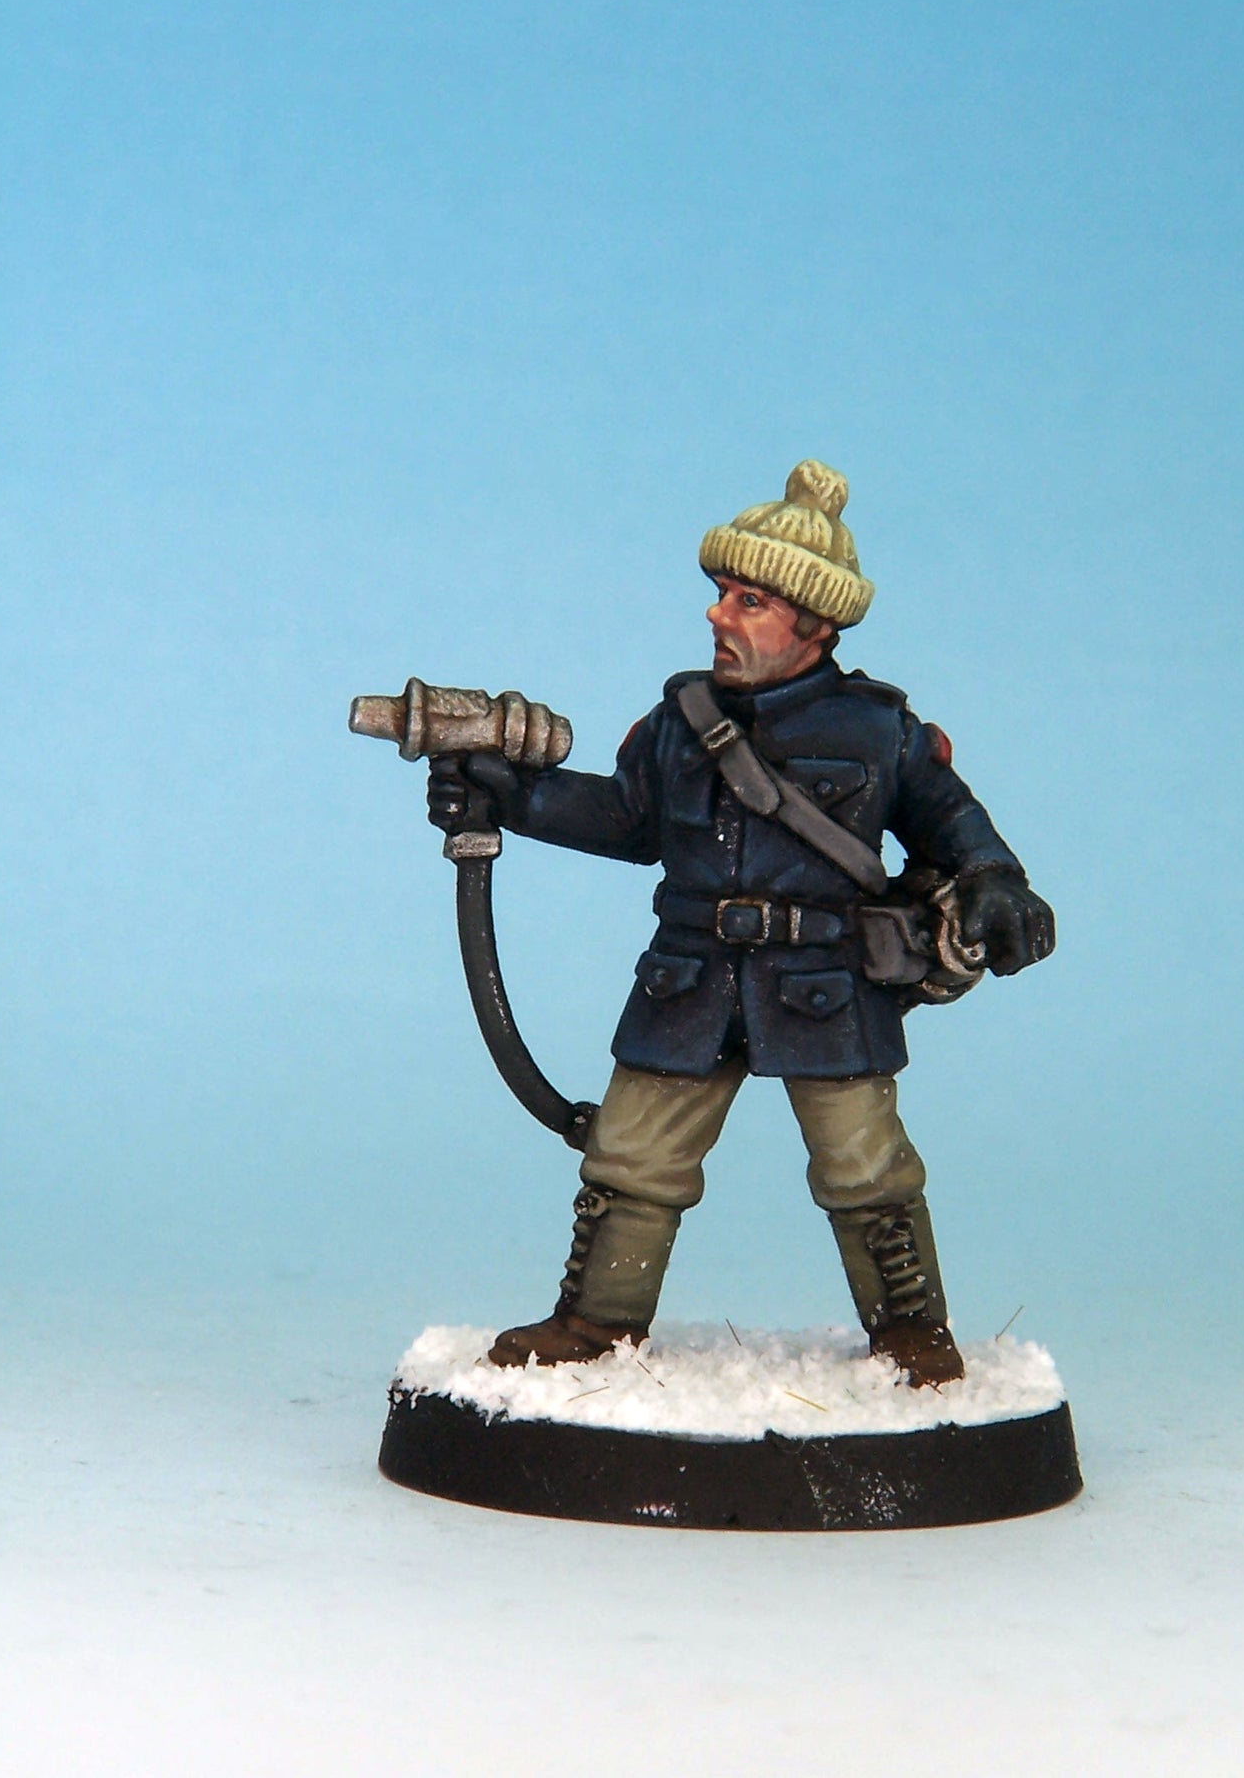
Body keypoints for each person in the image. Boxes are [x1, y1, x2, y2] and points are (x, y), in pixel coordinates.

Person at [428, 461, 1054, 1385]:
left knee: (866, 1167)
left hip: (823, 982)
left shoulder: (880, 732)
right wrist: (511, 796)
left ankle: (910, 1332)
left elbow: (952, 820)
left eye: (749, 601)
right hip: (687, 977)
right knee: (630, 1158)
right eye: (723, 592)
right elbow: (626, 821)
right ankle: (596, 1322)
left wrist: (996, 881)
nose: (718, 614)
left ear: (815, 624)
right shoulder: (679, 721)